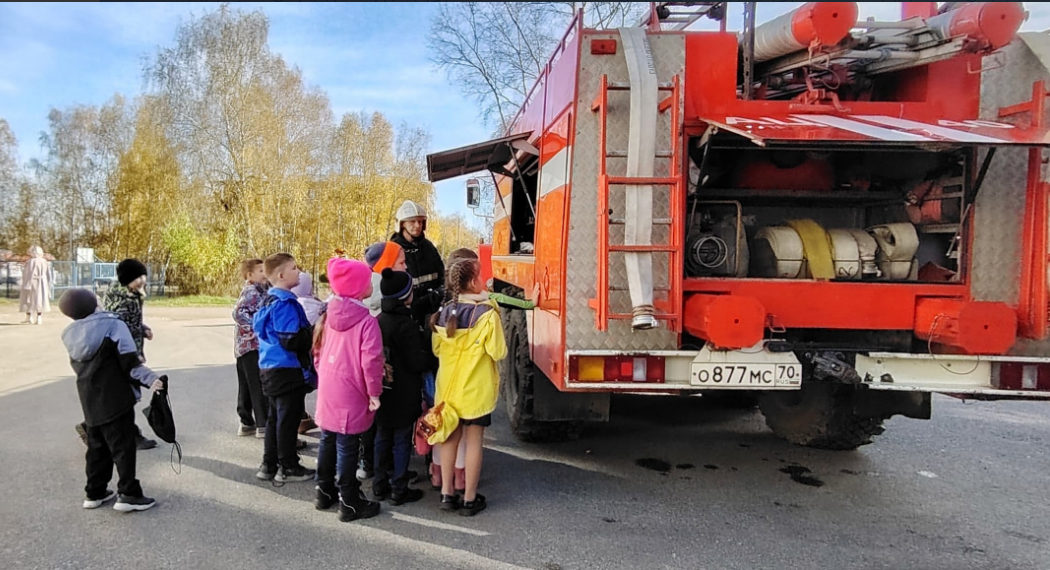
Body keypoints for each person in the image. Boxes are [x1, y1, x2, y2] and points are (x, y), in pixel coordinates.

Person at [59, 287, 165, 512]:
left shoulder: (71, 335)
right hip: (116, 398)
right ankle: (128, 494)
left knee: (97, 448)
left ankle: (94, 492)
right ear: (95, 304)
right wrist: (152, 380)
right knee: (123, 447)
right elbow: (129, 363)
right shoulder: (113, 325)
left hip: (89, 399)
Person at [429, 258, 508, 516]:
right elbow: (498, 351)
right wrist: (494, 307)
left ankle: (447, 494)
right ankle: (470, 499)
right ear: (474, 283)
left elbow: (437, 349)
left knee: (450, 440)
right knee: (474, 443)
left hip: (448, 393)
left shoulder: (442, 314)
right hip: (476, 393)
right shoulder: (486, 314)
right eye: (481, 275)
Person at [311, 257, 384, 522]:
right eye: (366, 281)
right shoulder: (366, 321)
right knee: (347, 445)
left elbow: (317, 350)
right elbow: (372, 361)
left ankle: (323, 489)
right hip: (352, 389)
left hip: (330, 385)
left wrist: (324, 374)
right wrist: (374, 392)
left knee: (328, 438)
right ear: (357, 287)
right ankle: (349, 500)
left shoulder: (328, 315)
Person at [252, 252, 316, 483]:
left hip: (269, 367)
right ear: (280, 275)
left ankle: (269, 464)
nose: (298, 272)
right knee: (287, 420)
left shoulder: (268, 300)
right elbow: (291, 339)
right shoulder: (285, 303)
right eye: (294, 268)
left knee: (274, 418)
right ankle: (288, 466)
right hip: (287, 368)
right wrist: (313, 332)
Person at [373, 268, 428, 505]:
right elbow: (416, 361)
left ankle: (379, 484)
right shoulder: (405, 325)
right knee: (402, 439)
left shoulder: (378, 320)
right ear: (406, 296)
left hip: (382, 389)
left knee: (382, 436)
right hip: (404, 393)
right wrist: (431, 356)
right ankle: (399, 487)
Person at [357, 240, 408, 481]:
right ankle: (379, 464)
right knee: (378, 419)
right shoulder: (380, 292)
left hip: (371, 366)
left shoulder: (369, 286)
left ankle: (371, 463)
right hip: (380, 368)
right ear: (386, 264)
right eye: (401, 262)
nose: (406, 267)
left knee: (375, 419)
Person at [99, 258, 157, 451]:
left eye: (143, 276)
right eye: (138, 277)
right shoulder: (122, 300)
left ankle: (95, 427)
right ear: (127, 279)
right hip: (122, 355)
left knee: (121, 395)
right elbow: (118, 331)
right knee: (127, 396)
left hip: (127, 352)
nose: (142, 281)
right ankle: (129, 435)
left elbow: (130, 324)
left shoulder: (131, 294)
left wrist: (143, 329)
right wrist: (131, 356)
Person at [390, 200, 445, 323]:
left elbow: (442, 275)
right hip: (406, 316)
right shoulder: (392, 249)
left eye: (420, 221)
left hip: (432, 313)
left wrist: (439, 293)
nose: (418, 225)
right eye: (412, 221)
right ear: (402, 224)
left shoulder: (429, 247)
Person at [233, 258, 270, 438]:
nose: (265, 274)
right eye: (261, 271)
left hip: (245, 347)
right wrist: (256, 328)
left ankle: (246, 421)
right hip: (251, 346)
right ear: (250, 275)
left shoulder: (261, 290)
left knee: (247, 385)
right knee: (257, 383)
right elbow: (238, 313)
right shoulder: (251, 291)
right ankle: (263, 424)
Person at [19, 245, 50, 325]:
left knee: (29, 299)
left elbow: (28, 273)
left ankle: (29, 316)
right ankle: (39, 317)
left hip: (31, 282)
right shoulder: (44, 261)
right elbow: (48, 273)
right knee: (39, 299)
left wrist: (26, 283)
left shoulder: (31, 261)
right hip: (42, 282)